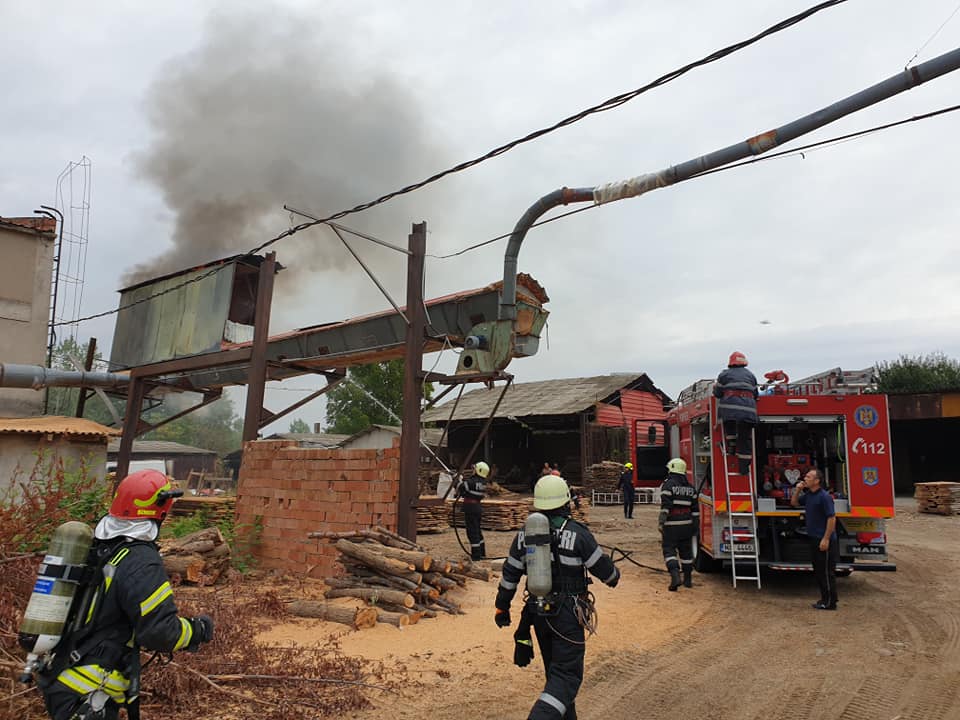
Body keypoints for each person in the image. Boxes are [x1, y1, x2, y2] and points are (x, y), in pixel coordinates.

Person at [37, 469, 214, 720]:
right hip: (89, 692)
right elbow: (160, 633)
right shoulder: (141, 561)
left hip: (63, 675)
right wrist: (198, 629)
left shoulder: (101, 547)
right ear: (160, 512)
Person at [495, 474, 620, 720]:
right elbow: (608, 575)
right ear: (565, 502)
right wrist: (614, 572)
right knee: (566, 677)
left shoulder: (524, 535)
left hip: (537, 613)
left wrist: (502, 607)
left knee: (556, 675)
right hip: (567, 616)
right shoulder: (577, 533)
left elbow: (510, 574)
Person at [791, 468, 838, 610]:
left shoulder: (824, 497)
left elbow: (831, 518)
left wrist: (826, 539)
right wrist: (798, 490)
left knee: (826, 572)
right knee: (819, 571)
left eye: (809, 476)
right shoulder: (809, 495)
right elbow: (794, 503)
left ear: (817, 481)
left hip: (823, 539)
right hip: (814, 538)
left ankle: (830, 602)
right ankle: (825, 599)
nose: (805, 478)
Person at [714, 351, 759, 475]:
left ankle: (732, 447)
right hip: (748, 413)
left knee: (730, 427)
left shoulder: (724, 375)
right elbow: (755, 395)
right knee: (745, 439)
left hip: (730, 411)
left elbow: (717, 393)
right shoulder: (751, 376)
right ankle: (744, 469)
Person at [658, 458, 700, 591]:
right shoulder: (690, 488)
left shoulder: (668, 485)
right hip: (687, 525)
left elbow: (666, 507)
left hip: (671, 525)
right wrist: (695, 527)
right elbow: (695, 510)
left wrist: (661, 522)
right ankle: (687, 580)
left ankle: (675, 576)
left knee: (669, 550)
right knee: (686, 553)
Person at [459, 461, 489, 561]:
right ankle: (482, 552)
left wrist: (459, 480)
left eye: (474, 469)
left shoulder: (471, 481)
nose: (473, 470)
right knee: (477, 531)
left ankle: (476, 556)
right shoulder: (484, 483)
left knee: (472, 532)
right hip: (477, 508)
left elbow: (461, 488)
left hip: (470, 509)